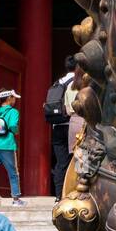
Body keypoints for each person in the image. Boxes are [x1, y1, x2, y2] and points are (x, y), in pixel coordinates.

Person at [45, 56, 78, 196]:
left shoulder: (58, 82)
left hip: (57, 126)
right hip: (71, 125)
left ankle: (58, 196)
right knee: (76, 161)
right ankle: (71, 193)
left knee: (61, 163)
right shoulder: (76, 83)